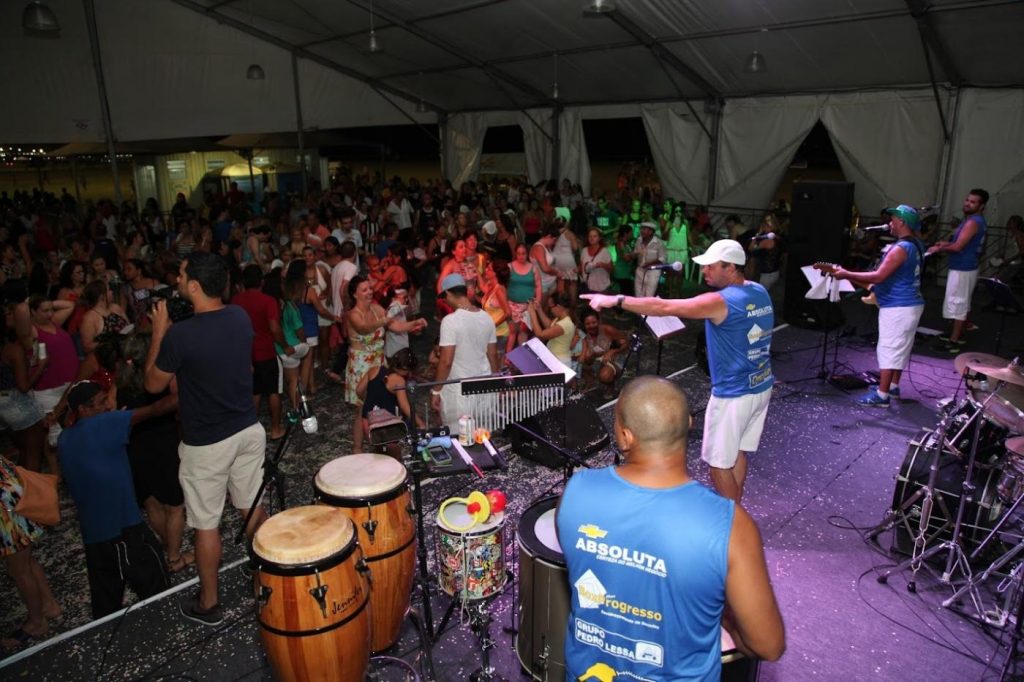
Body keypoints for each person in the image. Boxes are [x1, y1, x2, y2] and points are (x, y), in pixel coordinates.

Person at [556, 377, 785, 681]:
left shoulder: (575, 493)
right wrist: (727, 620)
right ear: (689, 423)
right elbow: (768, 645)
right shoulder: (730, 525)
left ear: (624, 437)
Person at [583, 239, 773, 503]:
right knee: (737, 452)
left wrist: (616, 299)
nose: (704, 272)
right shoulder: (758, 291)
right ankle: (736, 504)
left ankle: (733, 522)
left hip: (734, 395)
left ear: (731, 268)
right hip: (761, 386)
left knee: (718, 463)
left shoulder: (721, 301)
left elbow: (664, 307)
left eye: (710, 266)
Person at [144, 251, 268, 626]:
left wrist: (159, 330)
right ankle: (270, 574)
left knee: (206, 523)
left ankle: (210, 602)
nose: (177, 280)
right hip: (247, 428)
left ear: (195, 286)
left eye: (182, 275)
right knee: (250, 506)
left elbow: (152, 384)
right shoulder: (238, 316)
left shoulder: (180, 334)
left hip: (207, 444)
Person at [58, 380, 174, 619]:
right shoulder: (104, 424)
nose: (108, 407)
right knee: (158, 592)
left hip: (94, 537)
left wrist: (116, 422)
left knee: (105, 608)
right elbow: (158, 409)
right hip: (125, 530)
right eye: (101, 403)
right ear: (83, 409)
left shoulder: (64, 439)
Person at [830, 205, 925, 407]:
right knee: (901, 348)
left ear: (901, 222)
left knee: (889, 349)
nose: (890, 223)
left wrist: (846, 273)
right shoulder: (916, 244)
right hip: (912, 303)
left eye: (893, 219)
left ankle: (882, 396)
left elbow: (879, 276)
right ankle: (893, 387)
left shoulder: (900, 248)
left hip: (898, 306)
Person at [1, 455, 61, 649]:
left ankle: (37, 622)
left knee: (18, 569)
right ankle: (48, 605)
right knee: (25, 559)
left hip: (4, 507)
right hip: (10, 494)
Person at [431, 274, 499, 430]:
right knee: (482, 438)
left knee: (459, 440)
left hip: (460, 391)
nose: (445, 301)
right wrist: (497, 382)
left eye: (444, 297)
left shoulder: (450, 321)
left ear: (448, 294)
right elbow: (493, 354)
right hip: (485, 388)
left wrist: (436, 390)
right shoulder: (486, 317)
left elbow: (446, 361)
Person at [927, 188, 988, 352]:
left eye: (973, 202)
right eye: (967, 200)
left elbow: (959, 246)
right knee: (962, 302)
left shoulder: (973, 222)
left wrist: (939, 249)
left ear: (982, 206)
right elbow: (962, 243)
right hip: (964, 266)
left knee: (959, 304)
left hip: (963, 268)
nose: (967, 204)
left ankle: (954, 341)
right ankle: (956, 335)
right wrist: (944, 244)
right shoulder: (971, 220)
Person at [231, 264, 287, 440]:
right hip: (265, 351)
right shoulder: (268, 301)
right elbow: (274, 327)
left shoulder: (236, 300)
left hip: (245, 353)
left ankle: (252, 430)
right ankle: (276, 429)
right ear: (261, 281)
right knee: (273, 390)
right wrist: (284, 345)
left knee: (254, 391)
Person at [356, 348, 425, 460]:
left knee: (378, 453)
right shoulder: (399, 380)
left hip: (367, 422)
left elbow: (359, 390)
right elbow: (404, 406)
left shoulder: (374, 369)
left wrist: (370, 400)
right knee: (394, 458)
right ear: (406, 369)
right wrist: (420, 423)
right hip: (385, 427)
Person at [578, 308, 626, 398]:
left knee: (604, 376)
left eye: (594, 322)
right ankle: (591, 382)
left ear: (598, 321)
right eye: (588, 324)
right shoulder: (585, 338)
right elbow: (587, 361)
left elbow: (626, 343)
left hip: (615, 359)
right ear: (584, 325)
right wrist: (593, 354)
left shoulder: (608, 330)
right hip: (599, 360)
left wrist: (612, 351)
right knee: (580, 362)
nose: (591, 326)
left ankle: (610, 385)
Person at [629, 221, 668, 298]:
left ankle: (646, 309)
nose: (641, 231)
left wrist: (650, 263)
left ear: (651, 231)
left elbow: (663, 258)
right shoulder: (638, 240)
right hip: (640, 270)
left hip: (653, 272)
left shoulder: (658, 243)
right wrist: (633, 255)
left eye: (644, 229)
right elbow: (635, 254)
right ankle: (639, 310)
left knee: (649, 295)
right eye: (641, 229)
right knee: (638, 295)